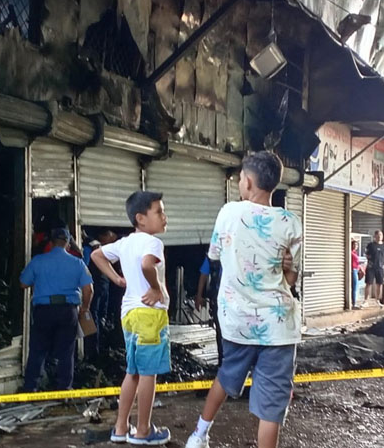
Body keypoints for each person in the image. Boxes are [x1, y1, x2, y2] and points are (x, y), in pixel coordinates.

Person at [185, 151, 303, 448]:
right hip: (278, 326)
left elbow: (213, 256)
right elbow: (290, 280)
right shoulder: (291, 222)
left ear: (248, 182)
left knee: (226, 376)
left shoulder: (228, 213)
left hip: (236, 320)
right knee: (272, 403)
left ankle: (199, 435)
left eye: (240, 179)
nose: (239, 183)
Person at [91, 191, 172, 445]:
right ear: (141, 218)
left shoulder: (125, 243)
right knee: (149, 374)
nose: (164, 216)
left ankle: (120, 427)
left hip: (129, 314)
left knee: (133, 372)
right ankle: (144, 430)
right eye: (158, 211)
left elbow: (96, 256)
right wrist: (157, 287)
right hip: (150, 315)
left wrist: (116, 279)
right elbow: (148, 265)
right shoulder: (152, 243)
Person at [20, 227, 93, 392]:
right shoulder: (78, 263)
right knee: (66, 350)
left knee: (38, 348)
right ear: (67, 244)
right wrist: (84, 309)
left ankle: (31, 387)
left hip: (43, 311)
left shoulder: (38, 261)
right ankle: (64, 388)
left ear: (51, 242)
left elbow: (23, 283)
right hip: (68, 311)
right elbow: (89, 290)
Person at [83, 229, 119, 358]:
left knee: (92, 317)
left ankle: (93, 351)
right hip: (104, 286)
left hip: (95, 286)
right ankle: (101, 348)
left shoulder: (89, 247)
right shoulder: (102, 248)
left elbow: (84, 266)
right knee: (100, 317)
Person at [195, 256, 224, 366]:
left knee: (222, 331)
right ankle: (222, 360)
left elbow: (204, 275)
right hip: (218, 299)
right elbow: (204, 275)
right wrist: (199, 296)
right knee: (220, 331)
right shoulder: (211, 258)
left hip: (229, 299)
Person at [364, 230, 384, 304]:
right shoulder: (370, 245)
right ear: (375, 236)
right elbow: (367, 255)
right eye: (378, 235)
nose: (379, 237)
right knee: (368, 283)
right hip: (371, 267)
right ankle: (366, 300)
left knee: (379, 283)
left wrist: (382, 264)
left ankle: (377, 300)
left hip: (380, 268)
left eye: (381, 235)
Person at [351, 240, 361, 310]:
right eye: (354, 244)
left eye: (356, 245)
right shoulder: (350, 252)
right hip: (353, 270)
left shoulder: (355, 253)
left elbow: (357, 262)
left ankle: (354, 302)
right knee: (354, 287)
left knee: (355, 287)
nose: (355, 246)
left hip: (356, 270)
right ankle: (353, 304)